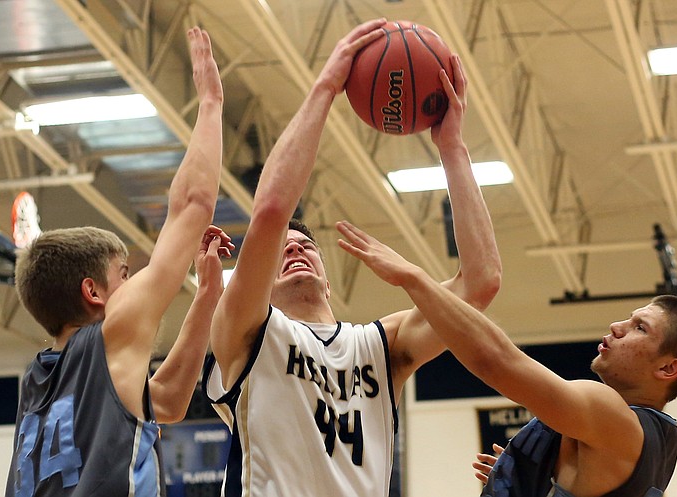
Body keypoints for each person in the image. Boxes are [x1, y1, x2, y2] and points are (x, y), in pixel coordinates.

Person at [201, 18, 502, 497]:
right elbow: (273, 211)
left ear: (328, 277)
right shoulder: (244, 331)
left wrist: (452, 148)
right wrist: (325, 87)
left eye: (306, 246)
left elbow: (479, 284)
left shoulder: (380, 347)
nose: (296, 249)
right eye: (282, 251)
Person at [333, 220, 677, 497]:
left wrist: (414, 279)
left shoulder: (611, 415)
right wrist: (529, 478)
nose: (618, 326)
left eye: (640, 328)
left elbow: (497, 361)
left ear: (668, 368)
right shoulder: (663, 440)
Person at [5, 27, 231, 497]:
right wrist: (210, 104)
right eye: (125, 275)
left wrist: (207, 297)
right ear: (94, 293)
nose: (135, 285)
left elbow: (165, 403)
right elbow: (193, 204)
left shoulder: (38, 379)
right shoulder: (111, 336)